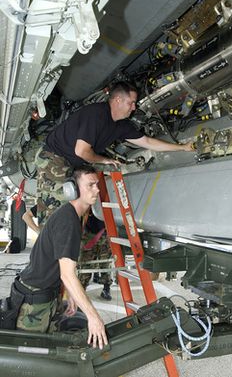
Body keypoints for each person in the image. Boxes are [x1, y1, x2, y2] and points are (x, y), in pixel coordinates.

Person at [36, 81, 194, 226]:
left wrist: (182, 147)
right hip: (54, 159)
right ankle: (52, 253)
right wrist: (104, 160)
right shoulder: (96, 114)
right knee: (56, 212)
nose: (134, 108)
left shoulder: (120, 125)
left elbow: (147, 142)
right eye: (131, 103)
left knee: (71, 211)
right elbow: (82, 151)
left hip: (70, 163)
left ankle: (58, 250)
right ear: (118, 100)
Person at [12, 165, 107, 350]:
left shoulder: (71, 215)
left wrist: (71, 294)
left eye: (97, 184)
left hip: (44, 293)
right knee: (32, 356)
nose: (97, 189)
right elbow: (67, 275)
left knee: (47, 350)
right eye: (90, 185)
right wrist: (93, 317)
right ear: (73, 189)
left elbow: (61, 267)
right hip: (35, 300)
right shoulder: (68, 221)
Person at [79, 212, 113, 301]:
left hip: (104, 235)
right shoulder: (88, 203)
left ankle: (106, 289)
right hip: (88, 236)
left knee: (105, 265)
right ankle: (81, 292)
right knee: (86, 266)